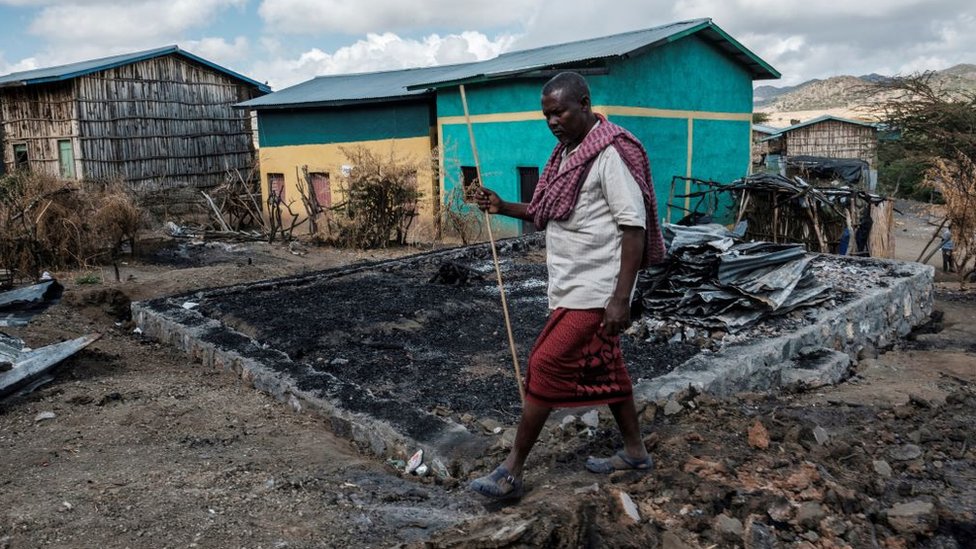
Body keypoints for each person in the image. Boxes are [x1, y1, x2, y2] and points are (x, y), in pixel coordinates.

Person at [470, 72, 666, 500]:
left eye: (559, 111)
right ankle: (635, 452)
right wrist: (503, 205)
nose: (553, 121)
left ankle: (511, 470)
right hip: (572, 283)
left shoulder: (610, 154)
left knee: (544, 365)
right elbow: (549, 212)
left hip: (598, 290)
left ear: (584, 103)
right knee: (607, 369)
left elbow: (634, 229)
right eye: (546, 114)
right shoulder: (565, 156)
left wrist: (620, 299)